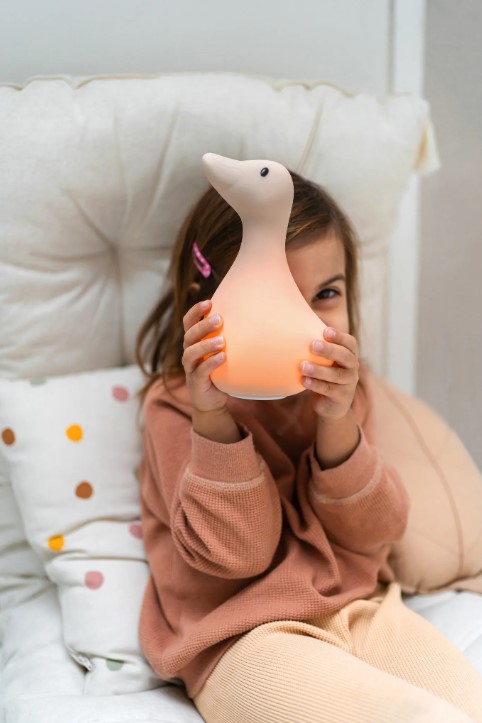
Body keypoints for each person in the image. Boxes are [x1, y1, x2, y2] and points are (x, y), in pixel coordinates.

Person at [135, 170, 482, 723]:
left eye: (326, 294)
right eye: (280, 298)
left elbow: (376, 531)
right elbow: (237, 556)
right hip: (242, 638)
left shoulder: (346, 391)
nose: (306, 318)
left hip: (358, 609)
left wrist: (337, 423)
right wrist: (213, 418)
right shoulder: (176, 406)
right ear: (208, 308)